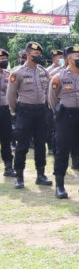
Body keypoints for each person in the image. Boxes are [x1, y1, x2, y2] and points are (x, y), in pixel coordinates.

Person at [48, 45, 79, 198]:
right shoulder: (59, 76)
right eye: (77, 56)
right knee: (62, 151)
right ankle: (60, 186)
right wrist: (61, 111)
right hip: (65, 116)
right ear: (68, 59)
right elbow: (52, 99)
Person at [7, 41, 52, 189]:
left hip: (41, 111)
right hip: (24, 111)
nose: (38, 56)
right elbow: (11, 95)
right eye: (35, 54)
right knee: (22, 145)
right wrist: (15, 111)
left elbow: (47, 92)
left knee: (40, 144)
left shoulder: (44, 71)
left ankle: (41, 174)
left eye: (39, 54)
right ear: (28, 54)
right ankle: (19, 176)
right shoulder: (17, 72)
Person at [0, 48, 15, 177]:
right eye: (1, 59)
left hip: (5, 110)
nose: (3, 61)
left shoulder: (8, 74)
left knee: (6, 139)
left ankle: (8, 167)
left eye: (5, 59)